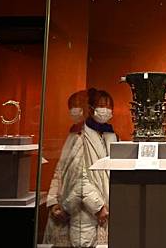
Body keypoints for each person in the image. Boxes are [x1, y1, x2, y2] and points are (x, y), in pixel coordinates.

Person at [43, 89, 118, 247]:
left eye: (109, 106)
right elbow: (67, 172)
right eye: (101, 105)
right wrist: (54, 203)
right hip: (80, 208)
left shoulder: (109, 135)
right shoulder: (77, 135)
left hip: (96, 207)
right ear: (90, 108)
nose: (106, 110)